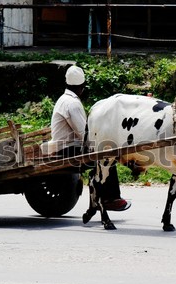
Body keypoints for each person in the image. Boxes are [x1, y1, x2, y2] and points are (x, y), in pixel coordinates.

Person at [49, 65, 131, 211]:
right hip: (68, 149)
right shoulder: (72, 103)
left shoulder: (64, 99)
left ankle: (101, 196)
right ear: (82, 87)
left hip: (65, 146)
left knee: (104, 154)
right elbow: (84, 133)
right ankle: (110, 199)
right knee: (107, 157)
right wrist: (100, 147)